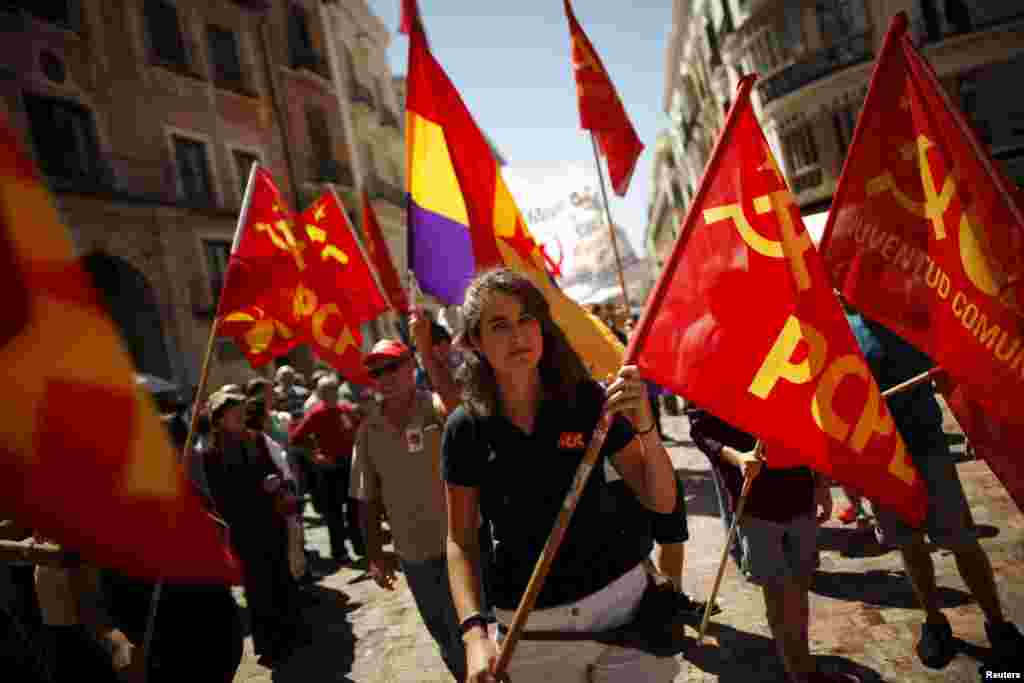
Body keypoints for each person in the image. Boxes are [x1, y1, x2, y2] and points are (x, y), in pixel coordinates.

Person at [442, 268, 680, 682]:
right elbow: (460, 541)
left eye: (526, 319)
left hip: (623, 611)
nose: (518, 335)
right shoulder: (465, 429)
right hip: (531, 630)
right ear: (476, 341)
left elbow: (660, 500)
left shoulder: (587, 400)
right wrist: (473, 635)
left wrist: (647, 429)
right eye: (499, 325)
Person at [846, 308, 1024, 672]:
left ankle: (998, 625)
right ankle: (934, 622)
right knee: (910, 545)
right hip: (883, 458)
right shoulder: (841, 328)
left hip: (928, 448)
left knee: (961, 540)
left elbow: (952, 369)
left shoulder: (906, 317)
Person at [350, 310, 468, 682]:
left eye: (393, 367)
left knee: (477, 627)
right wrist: (375, 554)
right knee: (444, 634)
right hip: (414, 553)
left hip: (462, 542)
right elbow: (366, 497)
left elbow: (458, 412)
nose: (384, 378)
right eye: (377, 372)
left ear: (410, 366)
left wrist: (428, 354)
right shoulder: (368, 430)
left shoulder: (433, 405)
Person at [688, 409, 845, 683]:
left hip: (800, 494)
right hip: (755, 506)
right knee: (779, 593)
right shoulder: (712, 375)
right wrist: (737, 457)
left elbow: (810, 421)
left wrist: (820, 482)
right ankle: (797, 672)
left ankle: (804, 663)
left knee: (799, 588)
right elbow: (701, 431)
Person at [201, 390, 307, 669]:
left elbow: (277, 469)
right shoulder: (211, 454)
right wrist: (260, 489)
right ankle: (271, 642)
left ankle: (293, 631)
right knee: (259, 587)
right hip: (244, 529)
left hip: (272, 521)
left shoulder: (257, 439)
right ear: (219, 419)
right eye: (231, 410)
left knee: (281, 575)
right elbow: (221, 497)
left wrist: (279, 486)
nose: (238, 414)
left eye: (240, 408)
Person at [290, 376, 365, 563]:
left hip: (349, 465)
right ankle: (339, 552)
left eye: (334, 390)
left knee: (354, 510)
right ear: (321, 394)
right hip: (329, 469)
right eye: (327, 391)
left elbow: (360, 428)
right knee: (334, 514)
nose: (331, 394)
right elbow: (296, 439)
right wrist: (314, 455)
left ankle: (360, 546)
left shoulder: (345, 409)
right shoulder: (316, 414)